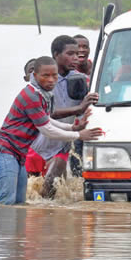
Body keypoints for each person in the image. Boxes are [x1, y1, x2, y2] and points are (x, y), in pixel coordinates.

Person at [0, 56, 102, 205]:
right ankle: (2, 228)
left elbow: (47, 119)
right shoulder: (31, 95)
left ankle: (15, 229)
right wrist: (78, 134)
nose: (51, 80)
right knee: (7, 200)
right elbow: (46, 129)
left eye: (54, 75)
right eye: (45, 75)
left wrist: (72, 127)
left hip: (19, 153)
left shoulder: (43, 94)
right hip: (6, 150)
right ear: (35, 76)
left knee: (19, 202)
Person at [30, 36, 99, 198]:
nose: (76, 57)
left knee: (51, 190)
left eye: (77, 53)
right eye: (70, 53)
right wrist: (79, 107)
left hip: (62, 142)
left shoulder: (79, 79)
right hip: (37, 142)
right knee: (30, 191)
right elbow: (45, 113)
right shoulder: (41, 79)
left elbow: (86, 108)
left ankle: (52, 215)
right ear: (56, 55)